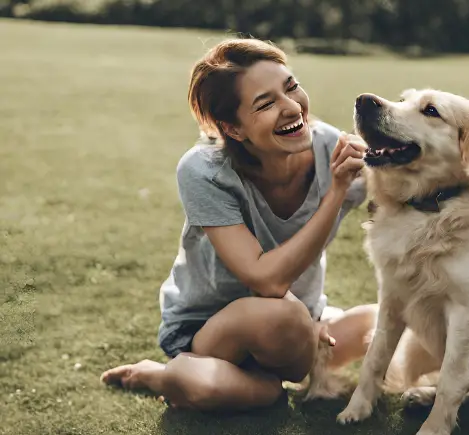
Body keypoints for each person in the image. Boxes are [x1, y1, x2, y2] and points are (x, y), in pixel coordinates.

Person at [100, 38, 377, 411]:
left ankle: (280, 363)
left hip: (299, 324)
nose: (292, 107)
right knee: (277, 336)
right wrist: (337, 193)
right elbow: (267, 281)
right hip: (214, 328)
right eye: (266, 103)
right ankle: (162, 374)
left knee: (389, 321)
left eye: (291, 86)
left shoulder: (333, 147)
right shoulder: (205, 171)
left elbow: (404, 200)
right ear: (233, 129)